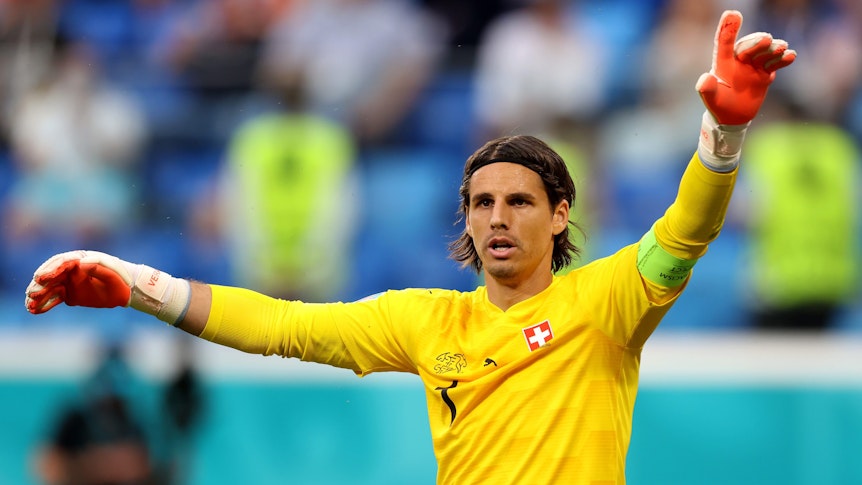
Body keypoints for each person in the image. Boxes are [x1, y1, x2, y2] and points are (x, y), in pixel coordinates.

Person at [24, 10, 795, 484]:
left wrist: (724, 135)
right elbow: (282, 326)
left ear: (561, 214)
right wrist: (134, 283)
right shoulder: (429, 322)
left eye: (520, 202)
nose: (498, 217)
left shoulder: (607, 301)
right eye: (482, 202)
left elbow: (685, 234)